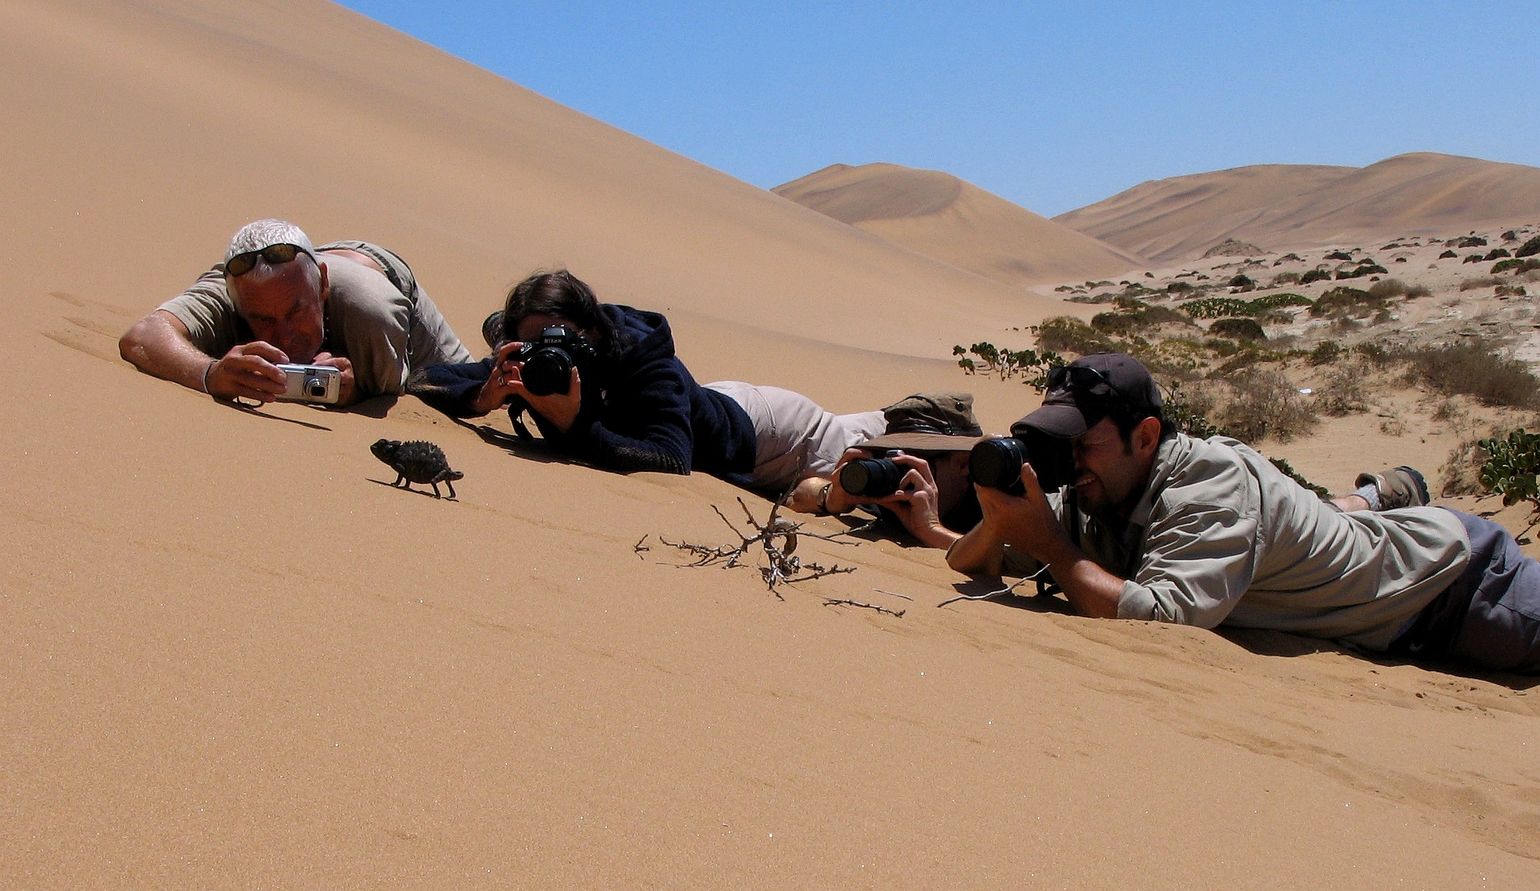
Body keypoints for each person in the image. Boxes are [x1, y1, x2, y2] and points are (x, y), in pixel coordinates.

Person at [947, 351, 1540, 674]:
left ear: (1146, 436)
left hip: (1454, 588)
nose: (1070, 463)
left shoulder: (1207, 484)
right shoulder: (1094, 489)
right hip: (1378, 603)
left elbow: (1161, 621)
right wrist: (999, 517)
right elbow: (972, 560)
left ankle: (1379, 500)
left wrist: (1052, 547)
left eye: (1083, 444)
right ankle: (1377, 495)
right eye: (1058, 444)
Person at [409, 269, 976, 542]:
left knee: (869, 448)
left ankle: (941, 426)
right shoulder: (531, 367)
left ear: (590, 331)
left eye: (561, 340)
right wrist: (483, 395)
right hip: (708, 403)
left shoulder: (640, 358)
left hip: (772, 436)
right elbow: (426, 379)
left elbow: (671, 462)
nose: (548, 357)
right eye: (532, 344)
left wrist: (578, 424)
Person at [119, 219, 470, 405]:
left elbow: (392, 392)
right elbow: (143, 336)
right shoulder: (236, 285)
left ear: (321, 287)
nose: (284, 336)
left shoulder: (371, 309)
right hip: (307, 264)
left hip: (383, 285)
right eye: (263, 319)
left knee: (468, 386)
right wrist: (209, 373)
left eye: (296, 312)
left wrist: (356, 389)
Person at [791, 392, 986, 549]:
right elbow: (798, 495)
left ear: (963, 465)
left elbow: (1005, 561)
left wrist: (932, 530)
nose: (904, 473)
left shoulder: (992, 499)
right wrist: (832, 498)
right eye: (893, 458)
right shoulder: (893, 490)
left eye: (915, 463)